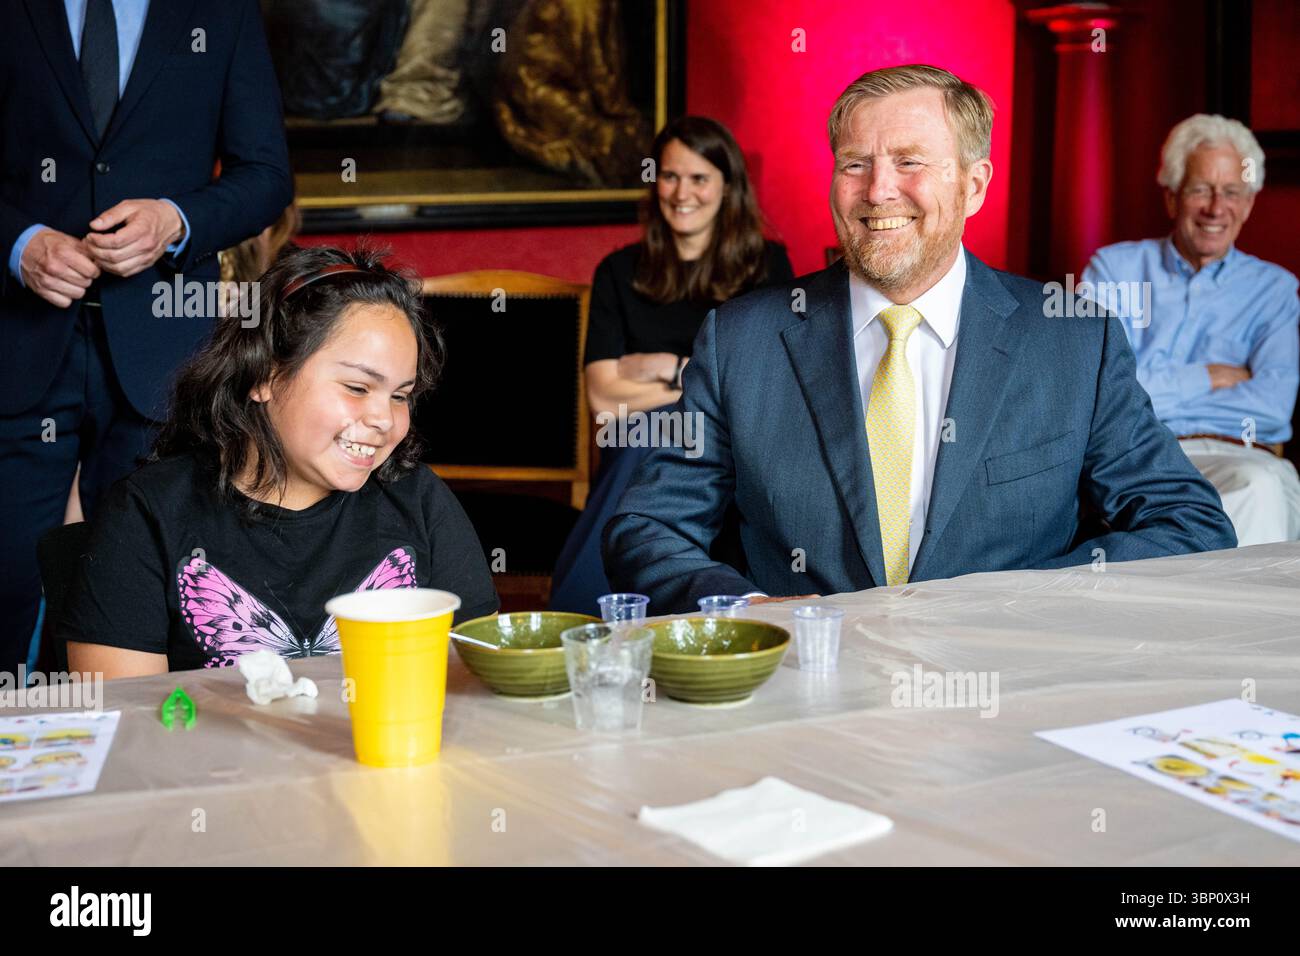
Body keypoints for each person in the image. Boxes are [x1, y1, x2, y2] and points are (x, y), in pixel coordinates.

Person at [603, 64, 1236, 613]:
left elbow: (1189, 523)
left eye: (910, 162)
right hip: (809, 693)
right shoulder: (741, 341)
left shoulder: (1073, 341)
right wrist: (751, 611)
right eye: (855, 164)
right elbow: (647, 526)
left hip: (1007, 695)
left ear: (975, 185)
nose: (878, 191)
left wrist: (1006, 603)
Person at [0, 0, 294, 675]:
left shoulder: (220, 13)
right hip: (20, 342)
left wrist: (176, 219)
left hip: (162, 349)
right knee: (10, 579)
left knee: (148, 582)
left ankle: (145, 764)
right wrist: (18, 245)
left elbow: (266, 177)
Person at [61, 246, 499, 678]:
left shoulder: (418, 500)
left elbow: (477, 681)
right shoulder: (148, 512)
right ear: (264, 376)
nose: (385, 419)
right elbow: (126, 723)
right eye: (358, 387)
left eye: (401, 395)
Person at [547, 116, 793, 615]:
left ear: (727, 188)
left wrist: (660, 366)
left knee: (671, 430)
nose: (682, 192)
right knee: (657, 433)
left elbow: (768, 385)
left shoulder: (768, 266)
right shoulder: (619, 272)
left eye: (699, 178)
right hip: (635, 441)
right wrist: (704, 384)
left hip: (738, 443)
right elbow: (603, 400)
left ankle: (589, 611)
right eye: (669, 176)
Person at [1083, 114, 1300, 546]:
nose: (1216, 209)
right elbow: (1099, 392)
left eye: (1232, 193)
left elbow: (1272, 409)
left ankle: (1242, 617)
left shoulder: (1276, 289)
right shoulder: (1114, 270)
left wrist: (1148, 391)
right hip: (1134, 457)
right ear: (1171, 198)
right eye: (1201, 190)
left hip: (1236, 455)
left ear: (1249, 203)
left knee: (1259, 486)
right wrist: (1209, 377)